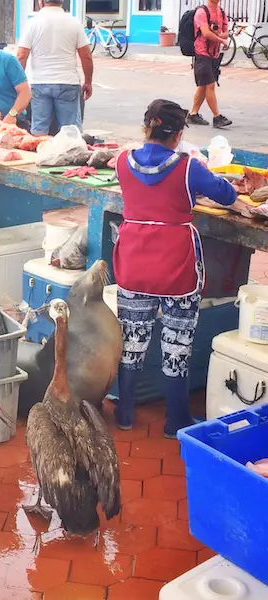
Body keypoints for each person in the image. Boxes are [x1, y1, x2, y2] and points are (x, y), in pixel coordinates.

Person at [112, 99, 252, 438]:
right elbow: (221, 191)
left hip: (133, 262)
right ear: (178, 135)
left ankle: (125, 412)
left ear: (147, 129)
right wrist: (243, 205)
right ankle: (175, 420)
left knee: (132, 339)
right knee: (176, 344)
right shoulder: (187, 166)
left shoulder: (122, 161)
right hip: (176, 269)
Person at [16, 0, 93, 136]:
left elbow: (21, 56)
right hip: (67, 82)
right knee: (70, 132)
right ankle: (70, 155)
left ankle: (39, 154)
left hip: (39, 83)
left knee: (39, 130)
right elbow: (86, 56)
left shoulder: (32, 23)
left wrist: (19, 85)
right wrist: (88, 82)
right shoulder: (74, 23)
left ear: (41, 2)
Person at [187, 0, 232, 128]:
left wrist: (218, 35)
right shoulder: (202, 12)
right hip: (202, 53)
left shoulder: (221, 12)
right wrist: (222, 40)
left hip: (215, 55)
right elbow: (206, 33)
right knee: (210, 85)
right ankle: (217, 117)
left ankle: (193, 114)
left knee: (203, 86)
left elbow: (226, 33)